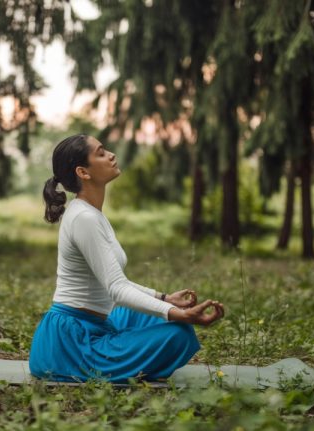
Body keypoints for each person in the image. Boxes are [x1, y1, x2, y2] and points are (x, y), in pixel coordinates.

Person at [29, 134, 225, 383]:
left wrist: (164, 299)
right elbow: (117, 289)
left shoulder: (92, 214)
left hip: (93, 324)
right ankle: (106, 360)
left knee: (147, 314)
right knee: (179, 333)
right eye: (100, 153)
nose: (111, 154)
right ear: (83, 172)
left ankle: (124, 350)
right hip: (72, 343)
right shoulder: (84, 218)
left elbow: (114, 280)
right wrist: (179, 313)